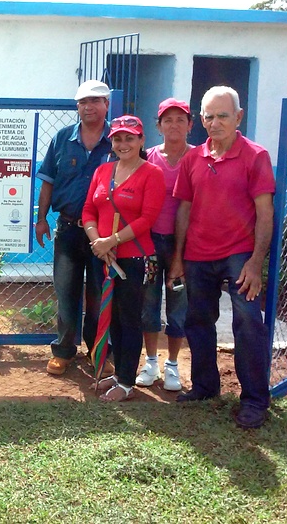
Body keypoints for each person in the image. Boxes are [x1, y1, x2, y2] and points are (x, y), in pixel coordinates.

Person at [169, 86, 275, 429]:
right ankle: (204, 386)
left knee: (247, 323)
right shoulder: (193, 158)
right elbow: (183, 209)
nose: (215, 123)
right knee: (197, 320)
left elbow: (265, 213)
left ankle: (255, 400)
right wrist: (179, 257)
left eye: (223, 116)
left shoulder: (255, 156)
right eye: (209, 117)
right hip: (198, 256)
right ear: (201, 120)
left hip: (239, 256)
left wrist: (256, 263)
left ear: (239, 117)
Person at [35, 80, 114, 377]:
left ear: (106, 104)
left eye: (95, 101)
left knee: (98, 293)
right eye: (83, 102)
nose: (88, 107)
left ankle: (98, 352)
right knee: (66, 293)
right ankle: (64, 351)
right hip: (68, 229)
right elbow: (48, 182)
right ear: (77, 106)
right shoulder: (62, 138)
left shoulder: (118, 140)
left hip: (103, 235)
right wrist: (41, 219)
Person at [83, 116, 165, 401]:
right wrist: (97, 242)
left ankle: (128, 382)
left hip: (133, 259)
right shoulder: (103, 171)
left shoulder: (151, 173)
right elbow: (88, 210)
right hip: (102, 256)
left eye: (130, 138)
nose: (123, 143)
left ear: (141, 141)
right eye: (118, 138)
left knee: (129, 318)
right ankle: (118, 374)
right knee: (110, 316)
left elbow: (148, 218)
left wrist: (113, 240)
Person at [135, 99, 194, 392]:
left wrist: (181, 255)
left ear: (190, 125)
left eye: (180, 120)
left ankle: (173, 366)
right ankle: (151, 362)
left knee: (178, 304)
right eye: (167, 120)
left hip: (184, 247)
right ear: (158, 127)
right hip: (149, 243)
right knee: (148, 303)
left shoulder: (198, 158)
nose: (174, 125)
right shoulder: (147, 158)